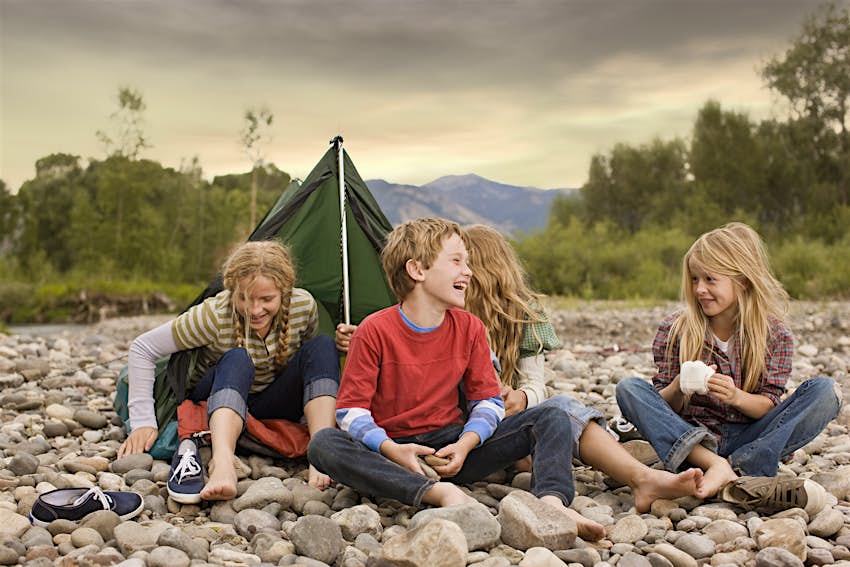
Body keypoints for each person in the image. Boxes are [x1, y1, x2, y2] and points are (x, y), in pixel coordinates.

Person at [314, 218, 702, 542]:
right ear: (417, 270)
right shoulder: (374, 330)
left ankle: (551, 504)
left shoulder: (469, 328)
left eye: (467, 262)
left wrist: (466, 444)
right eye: (456, 261)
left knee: (550, 415)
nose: (468, 271)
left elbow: (487, 401)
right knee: (324, 444)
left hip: (454, 446)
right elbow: (350, 410)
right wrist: (391, 449)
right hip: (396, 453)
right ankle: (436, 494)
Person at [616, 222, 843, 500]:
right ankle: (716, 466)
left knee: (826, 391)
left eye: (710, 280)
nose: (700, 289)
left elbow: (768, 404)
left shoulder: (774, 335)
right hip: (693, 437)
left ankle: (746, 464)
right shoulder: (675, 328)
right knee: (628, 389)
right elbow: (662, 407)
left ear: (743, 281)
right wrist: (678, 386)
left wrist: (736, 396)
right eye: (695, 279)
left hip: (750, 435)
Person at [117, 240, 339, 502]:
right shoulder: (213, 314)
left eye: (267, 299)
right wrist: (143, 422)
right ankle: (222, 462)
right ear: (232, 290)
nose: (255, 310)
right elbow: (143, 348)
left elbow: (309, 362)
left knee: (324, 345)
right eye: (245, 298)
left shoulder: (303, 306)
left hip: (269, 403)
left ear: (285, 291)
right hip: (217, 398)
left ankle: (320, 453)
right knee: (237, 357)